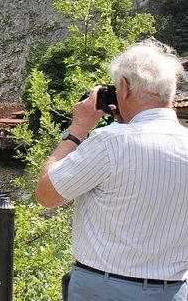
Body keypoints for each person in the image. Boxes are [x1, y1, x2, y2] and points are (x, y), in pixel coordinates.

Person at [36, 39, 188, 300]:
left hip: (104, 289)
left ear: (125, 88)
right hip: (175, 291)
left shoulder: (112, 142)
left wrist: (78, 129)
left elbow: (47, 195)